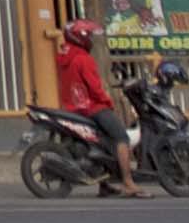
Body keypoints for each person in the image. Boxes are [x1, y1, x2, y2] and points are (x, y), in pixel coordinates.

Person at [49, 18, 138, 194]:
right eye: (87, 35)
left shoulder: (63, 57)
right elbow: (95, 88)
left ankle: (105, 185)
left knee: (103, 142)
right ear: (79, 37)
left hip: (72, 107)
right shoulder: (84, 59)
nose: (90, 38)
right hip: (92, 108)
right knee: (121, 137)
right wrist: (108, 102)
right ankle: (128, 182)